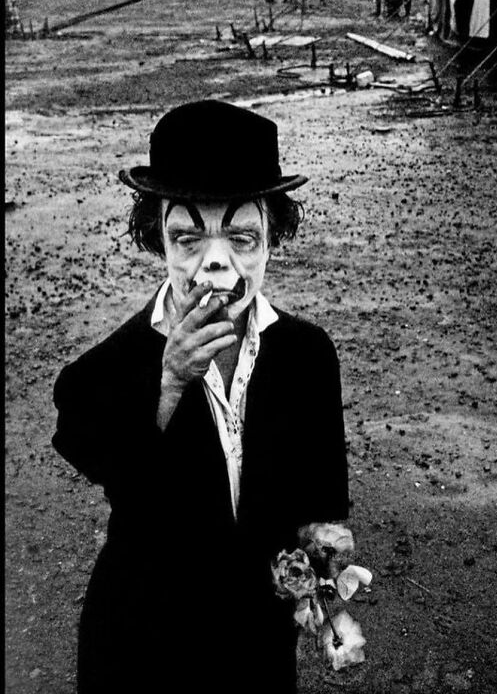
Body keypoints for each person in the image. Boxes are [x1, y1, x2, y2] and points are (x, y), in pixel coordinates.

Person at [52, 100, 350, 693]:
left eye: (241, 236)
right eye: (188, 237)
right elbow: (100, 455)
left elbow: (319, 498)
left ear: (272, 238)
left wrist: (322, 588)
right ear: (158, 239)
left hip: (257, 649)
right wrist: (168, 381)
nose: (216, 263)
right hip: (142, 647)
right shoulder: (106, 370)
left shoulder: (307, 354)